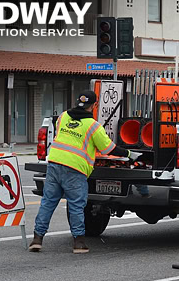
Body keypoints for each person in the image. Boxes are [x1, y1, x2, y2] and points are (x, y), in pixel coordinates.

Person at [29, 91, 142, 254]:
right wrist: (130, 154)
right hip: (75, 169)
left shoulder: (63, 116)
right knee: (76, 205)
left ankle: (37, 239)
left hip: (54, 163)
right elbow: (108, 148)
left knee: (48, 202)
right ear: (94, 105)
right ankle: (79, 243)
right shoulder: (93, 125)